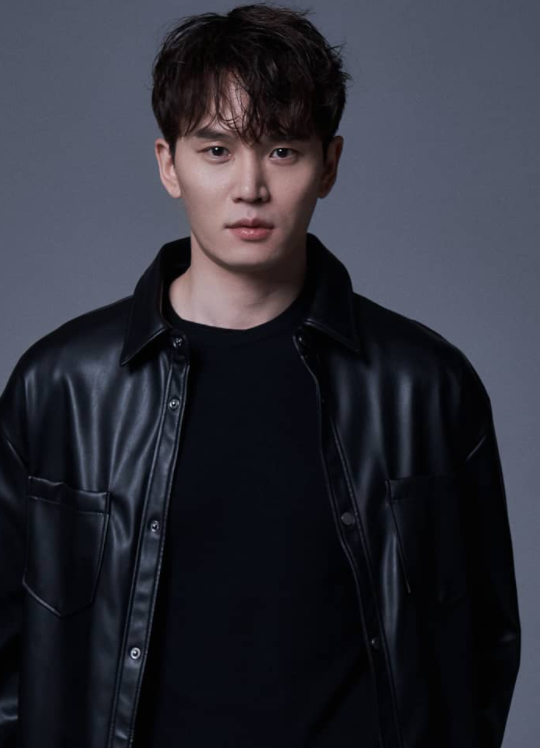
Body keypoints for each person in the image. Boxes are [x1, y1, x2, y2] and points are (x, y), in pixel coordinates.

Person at [0, 3, 521, 748]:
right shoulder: (61, 387)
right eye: (216, 149)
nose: (250, 186)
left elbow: (483, 650)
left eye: (282, 150)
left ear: (328, 164)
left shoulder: (426, 388)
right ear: (168, 164)